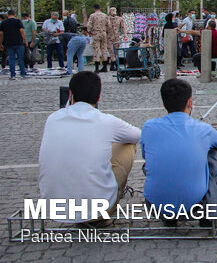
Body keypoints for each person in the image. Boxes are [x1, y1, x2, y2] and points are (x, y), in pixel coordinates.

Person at [38, 71, 141, 224]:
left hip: (53, 209)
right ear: (99, 96)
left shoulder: (53, 118)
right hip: (96, 209)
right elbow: (138, 135)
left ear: (70, 94)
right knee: (127, 145)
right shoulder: (106, 121)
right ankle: (103, 214)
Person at [141, 79, 217, 227]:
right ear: (190, 102)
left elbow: (146, 157)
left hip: (156, 204)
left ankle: (169, 214)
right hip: (194, 201)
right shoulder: (203, 129)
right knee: (212, 154)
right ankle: (213, 209)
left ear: (164, 104)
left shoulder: (148, 127)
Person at [0, 9, 28, 79]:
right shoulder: (18, 21)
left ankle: (12, 75)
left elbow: (1, 34)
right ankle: (22, 74)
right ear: (15, 14)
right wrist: (25, 41)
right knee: (20, 59)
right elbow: (22, 31)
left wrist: (1, 43)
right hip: (19, 42)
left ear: (7, 15)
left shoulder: (3, 22)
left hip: (8, 43)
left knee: (11, 59)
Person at [87, 4, 110, 73]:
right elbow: (109, 25)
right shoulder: (105, 15)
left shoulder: (92, 15)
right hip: (103, 33)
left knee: (96, 50)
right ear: (100, 8)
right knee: (104, 49)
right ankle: (105, 66)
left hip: (96, 33)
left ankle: (97, 68)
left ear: (94, 8)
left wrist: (89, 32)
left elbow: (89, 25)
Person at [107, 7, 127, 71]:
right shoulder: (107, 19)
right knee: (111, 51)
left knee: (115, 51)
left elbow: (123, 27)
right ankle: (114, 64)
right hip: (109, 37)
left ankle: (113, 65)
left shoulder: (120, 19)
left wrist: (125, 35)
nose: (113, 15)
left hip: (116, 37)